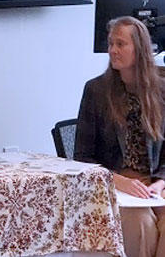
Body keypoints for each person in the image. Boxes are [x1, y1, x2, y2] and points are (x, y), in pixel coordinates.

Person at [74, 16, 165, 257]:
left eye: (120, 44)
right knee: (141, 223)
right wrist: (119, 181)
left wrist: (161, 182)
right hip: (116, 181)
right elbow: (81, 157)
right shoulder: (96, 91)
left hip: (154, 183)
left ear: (140, 48)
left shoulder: (161, 90)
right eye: (110, 43)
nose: (113, 50)